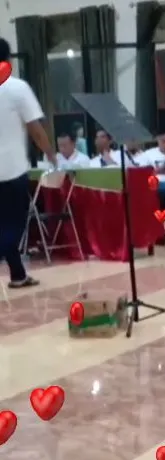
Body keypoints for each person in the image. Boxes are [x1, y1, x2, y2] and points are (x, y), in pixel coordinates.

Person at [0, 38, 57, 288]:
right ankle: (16, 272)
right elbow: (35, 128)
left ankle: (18, 274)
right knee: (15, 223)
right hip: (11, 169)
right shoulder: (16, 88)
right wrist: (50, 153)